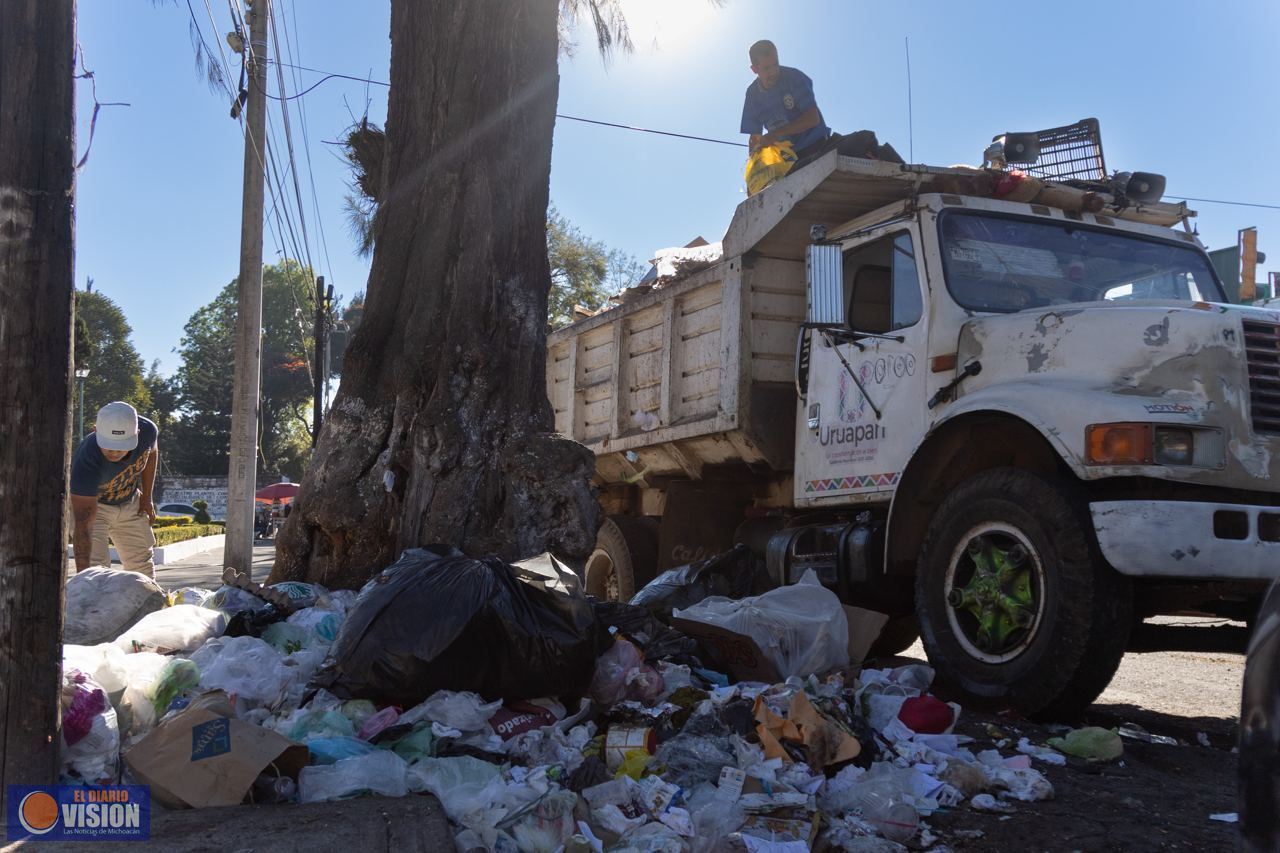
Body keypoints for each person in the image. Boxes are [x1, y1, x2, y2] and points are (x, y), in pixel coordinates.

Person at [70, 401, 160, 578]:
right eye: (109, 445)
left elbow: (152, 454)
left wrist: (147, 497)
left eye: (122, 446)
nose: (114, 452)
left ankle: (149, 606)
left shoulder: (148, 430)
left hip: (130, 499)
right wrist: (84, 579)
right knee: (96, 571)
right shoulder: (86, 461)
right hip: (95, 506)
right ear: (95, 430)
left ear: (137, 434)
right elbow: (83, 526)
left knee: (142, 568)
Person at [740, 40, 831, 160]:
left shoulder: (794, 77)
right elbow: (755, 137)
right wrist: (754, 162)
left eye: (775, 64)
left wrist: (775, 134)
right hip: (786, 160)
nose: (773, 71)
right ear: (754, 69)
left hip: (816, 148)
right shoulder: (752, 95)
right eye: (766, 68)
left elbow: (812, 118)